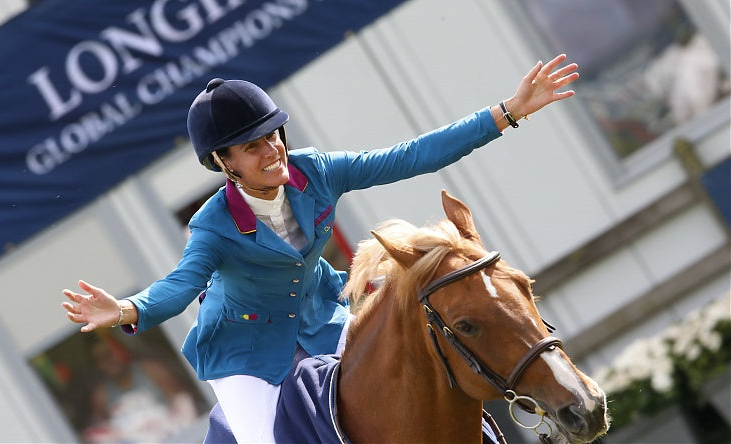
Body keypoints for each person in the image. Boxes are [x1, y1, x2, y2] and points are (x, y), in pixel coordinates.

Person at [62, 53, 579, 443]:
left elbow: (410, 157)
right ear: (224, 163)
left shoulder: (316, 170)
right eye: (252, 147)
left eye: (272, 136)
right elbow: (180, 287)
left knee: (419, 369)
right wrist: (128, 308)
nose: (271, 152)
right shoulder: (213, 226)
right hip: (247, 355)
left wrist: (508, 112)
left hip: (321, 318)